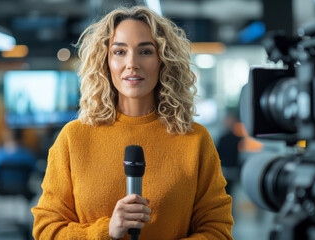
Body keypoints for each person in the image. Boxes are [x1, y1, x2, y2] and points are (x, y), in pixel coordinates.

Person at [32, 6, 234, 239]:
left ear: (163, 60)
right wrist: (106, 230)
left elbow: (217, 230)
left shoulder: (195, 139)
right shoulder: (73, 138)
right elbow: (47, 229)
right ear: (105, 61)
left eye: (145, 51)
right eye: (119, 52)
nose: (132, 63)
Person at [217, 112, 243, 196]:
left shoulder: (223, 138)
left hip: (227, 171)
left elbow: (217, 154)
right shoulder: (238, 139)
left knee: (226, 194)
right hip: (232, 171)